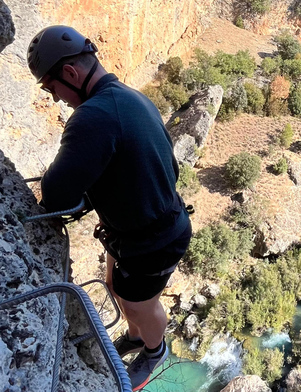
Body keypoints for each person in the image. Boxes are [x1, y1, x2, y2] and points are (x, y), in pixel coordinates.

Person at [27, 25, 191, 391]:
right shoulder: (131, 97)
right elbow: (168, 163)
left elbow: (56, 196)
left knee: (139, 305)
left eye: (52, 89)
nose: (56, 99)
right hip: (146, 228)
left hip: (150, 241)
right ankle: (136, 336)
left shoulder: (93, 116)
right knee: (117, 287)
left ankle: (154, 350)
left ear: (69, 74)